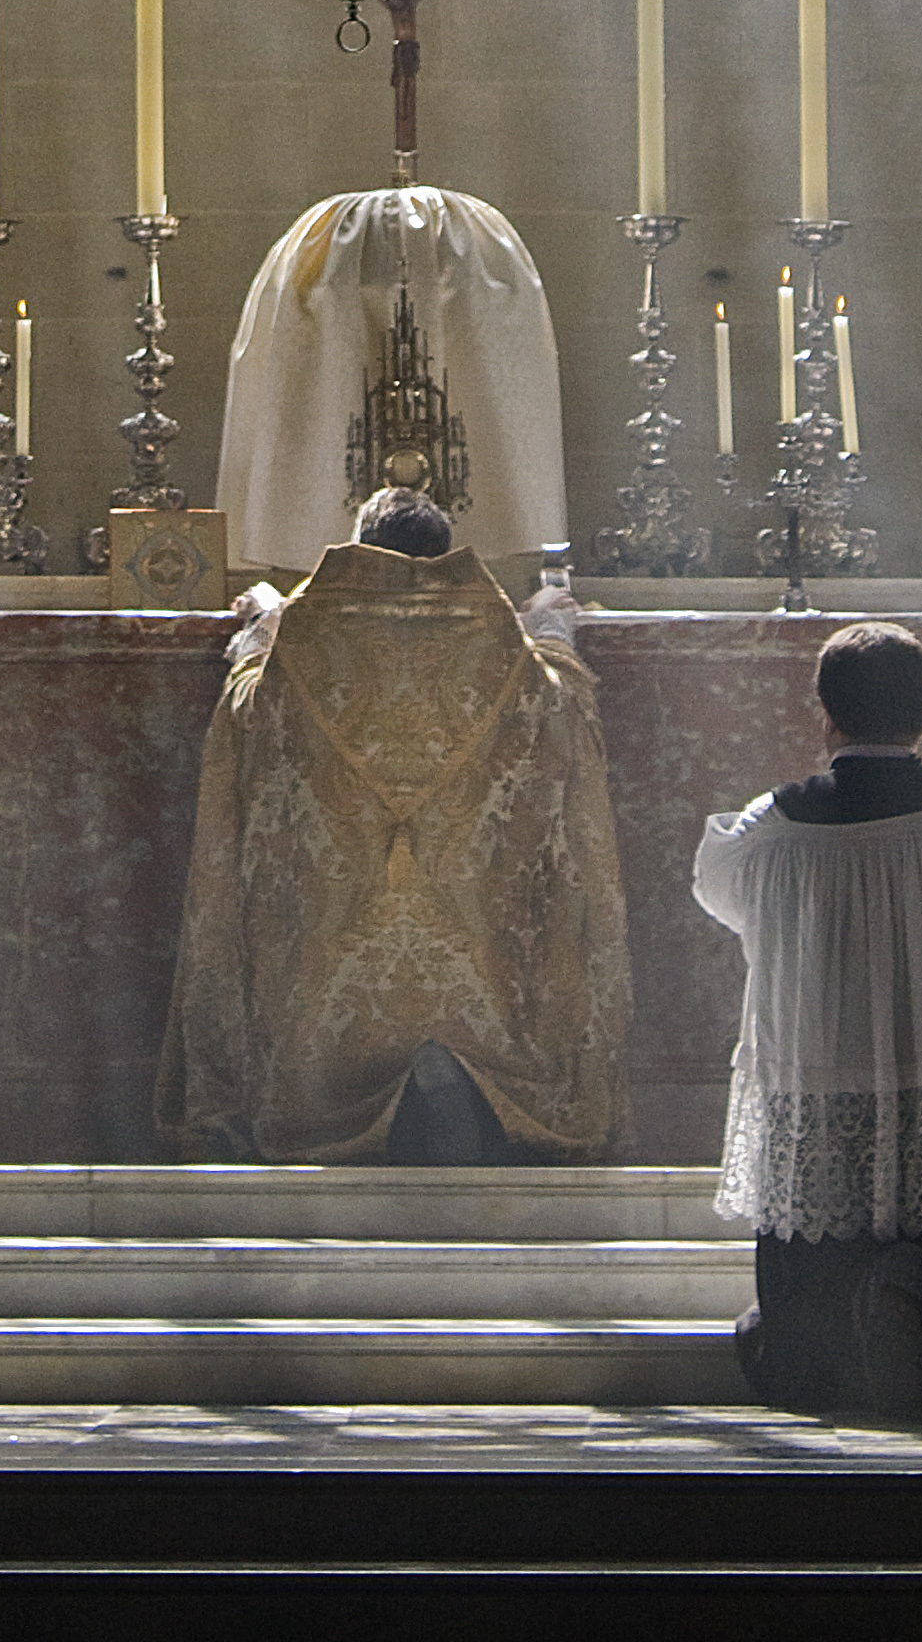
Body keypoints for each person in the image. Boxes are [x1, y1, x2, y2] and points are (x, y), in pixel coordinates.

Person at [155, 487, 629, 1162]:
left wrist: (262, 632)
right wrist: (550, 632)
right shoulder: (493, 638)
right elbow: (560, 712)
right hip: (469, 937)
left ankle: (339, 1096)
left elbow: (251, 713)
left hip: (340, 937)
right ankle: (458, 1078)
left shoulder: (307, 634)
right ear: (441, 555)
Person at [693, 620, 922, 1420]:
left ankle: (864, 1315)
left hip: (820, 1111)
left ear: (826, 716)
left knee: (792, 1352)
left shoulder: (766, 832)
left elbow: (722, 903)